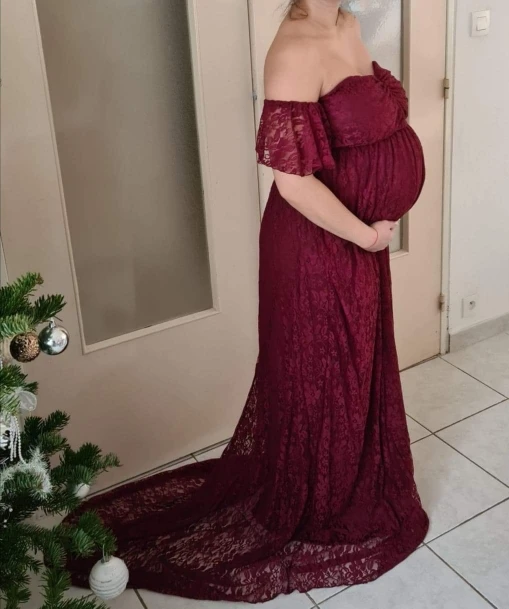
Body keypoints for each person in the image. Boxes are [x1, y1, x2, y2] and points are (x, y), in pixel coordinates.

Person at [67, 0, 429, 602]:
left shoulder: (347, 22)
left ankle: (349, 484)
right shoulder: (292, 51)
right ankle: (318, 503)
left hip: (359, 241)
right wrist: (366, 235)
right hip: (318, 248)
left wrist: (375, 222)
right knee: (319, 374)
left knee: (353, 368)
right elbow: (292, 182)